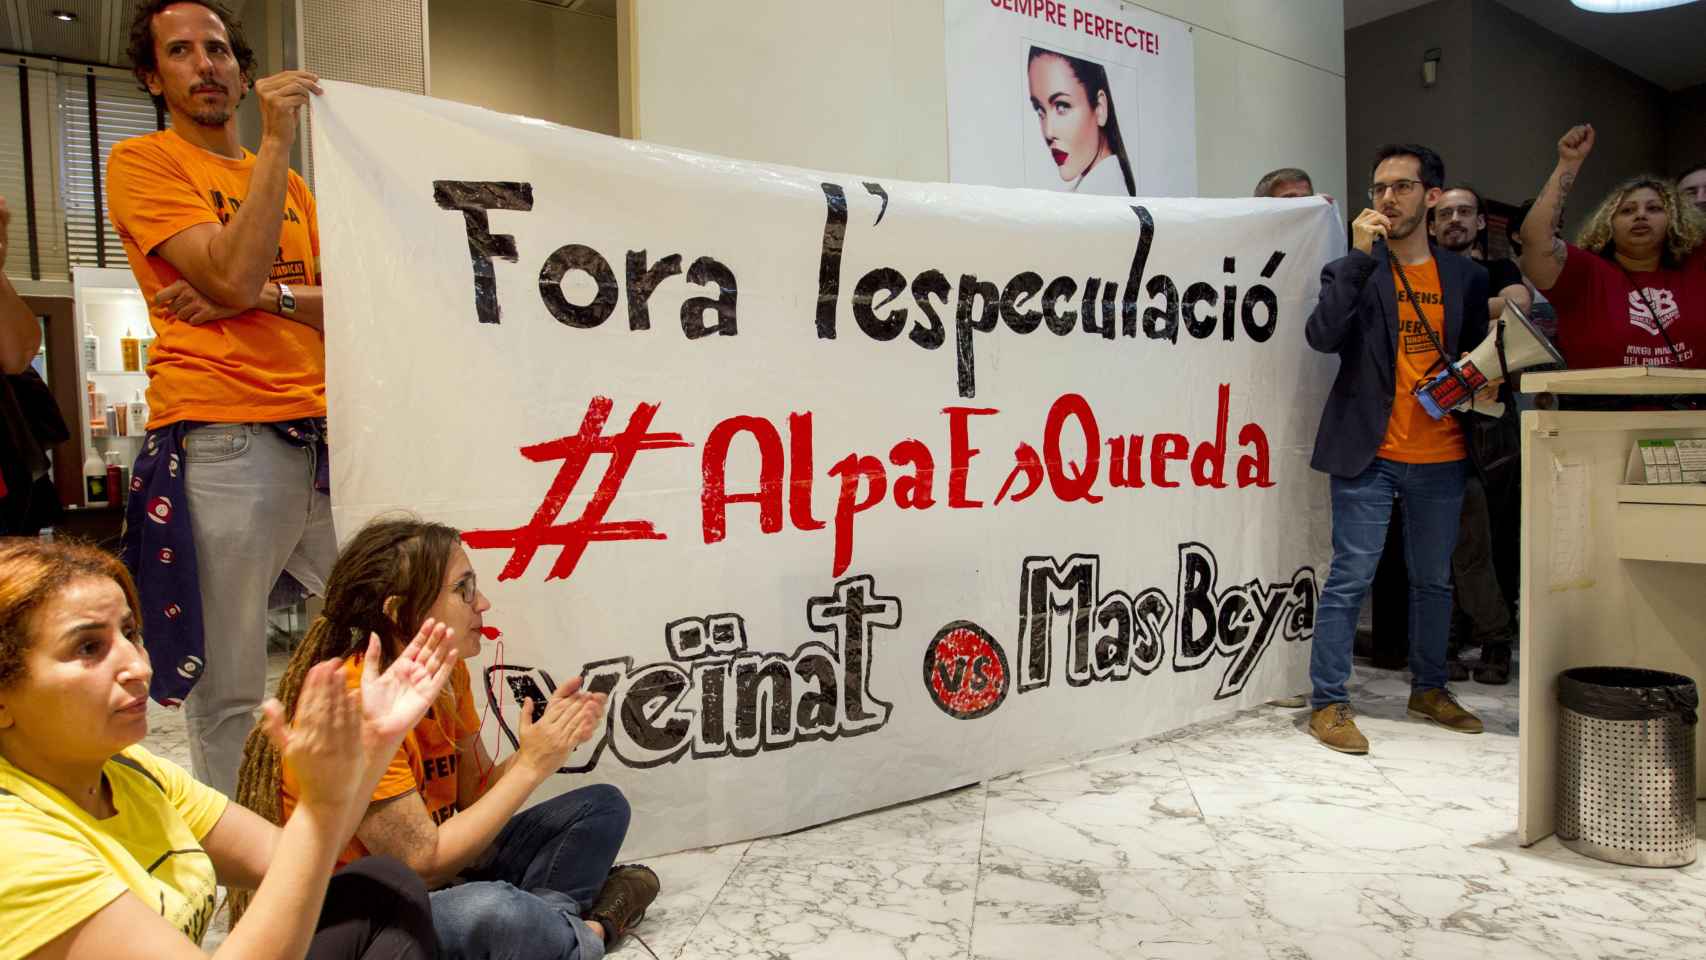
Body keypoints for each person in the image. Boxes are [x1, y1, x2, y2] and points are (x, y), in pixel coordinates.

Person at [0, 537, 456, 960]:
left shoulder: (131, 771)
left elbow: (296, 859)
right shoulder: (14, 844)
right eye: (88, 647)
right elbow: (415, 854)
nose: (137, 665)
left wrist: (376, 742)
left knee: (379, 887)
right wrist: (530, 763)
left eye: (131, 634)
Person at [235, 517, 659, 960]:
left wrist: (540, 749)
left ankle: (547, 928)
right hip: (376, 916)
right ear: (401, 613)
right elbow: (422, 862)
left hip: (448, 880)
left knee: (602, 808)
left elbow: (471, 798)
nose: (484, 603)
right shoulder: (358, 699)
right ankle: (589, 930)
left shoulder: (449, 671)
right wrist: (531, 766)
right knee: (494, 910)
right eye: (465, 590)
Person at [105, 0, 332, 796]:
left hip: (321, 437)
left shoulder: (294, 189)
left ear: (240, 68)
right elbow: (230, 275)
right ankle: (250, 882)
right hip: (223, 436)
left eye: (218, 50)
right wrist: (273, 139)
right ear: (152, 75)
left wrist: (263, 299)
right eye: (180, 52)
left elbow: (340, 304)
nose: (205, 65)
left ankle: (359, 821)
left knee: (394, 622)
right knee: (231, 680)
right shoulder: (145, 164)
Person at [1303, 143, 1490, 754]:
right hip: (1369, 451)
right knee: (1350, 578)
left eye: (1403, 187)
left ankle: (1429, 688)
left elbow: (1469, 360)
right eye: (1379, 187)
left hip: (1442, 452)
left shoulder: (1466, 275)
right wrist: (1357, 257)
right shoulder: (1355, 269)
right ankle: (1328, 702)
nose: (1388, 198)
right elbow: (1323, 335)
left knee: (1434, 582)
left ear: (1431, 196)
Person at [1429, 184, 1526, 685]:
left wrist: (1453, 310)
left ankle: (1494, 639)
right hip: (1435, 420)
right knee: (1446, 542)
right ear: (1432, 223)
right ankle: (1455, 635)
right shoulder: (1421, 271)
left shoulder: (1500, 269)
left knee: (1493, 538)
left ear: (1481, 221)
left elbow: (1517, 305)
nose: (1455, 220)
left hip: (1491, 429)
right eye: (1446, 213)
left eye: (1465, 211)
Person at [1518, 125, 1706, 370]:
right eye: (1627, 210)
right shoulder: (1583, 271)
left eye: (1654, 209)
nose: (1640, 215)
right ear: (1608, 224)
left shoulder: (1697, 266)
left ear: (1675, 221)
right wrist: (1568, 163)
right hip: (1601, 407)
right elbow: (1535, 239)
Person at [1027, 47, 1135, 196]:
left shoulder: (1101, 198)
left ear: (1100, 108)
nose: (1048, 132)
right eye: (1039, 110)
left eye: (1062, 106)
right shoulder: (1093, 194)